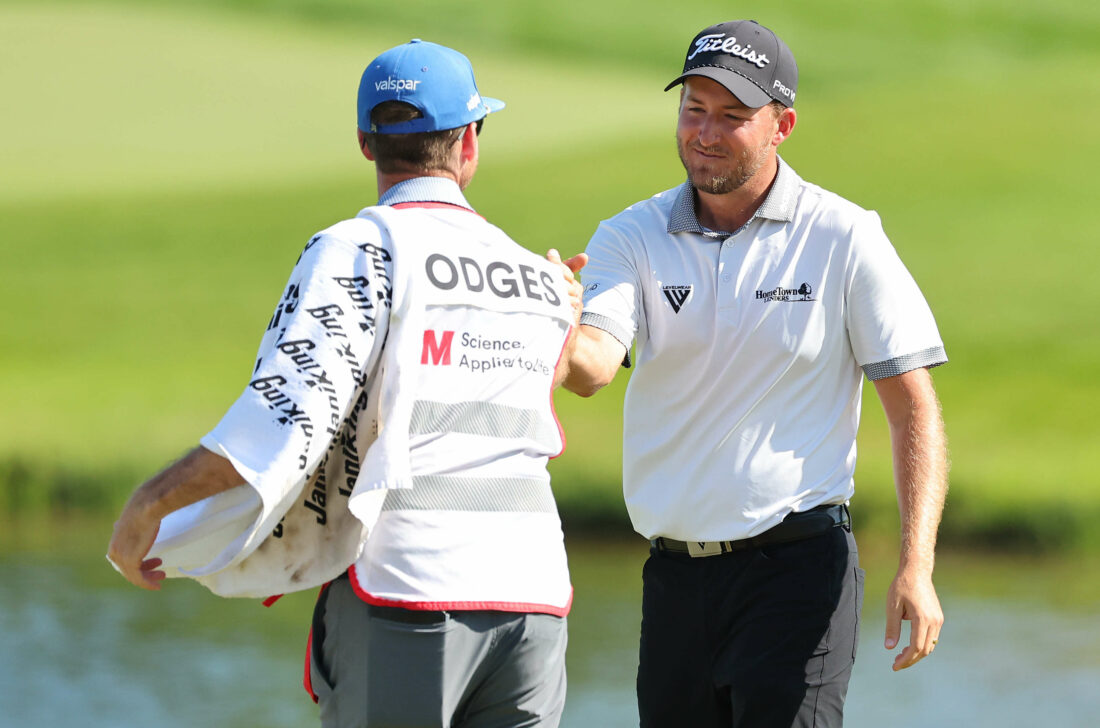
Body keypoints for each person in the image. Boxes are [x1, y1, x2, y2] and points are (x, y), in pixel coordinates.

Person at [108, 39, 583, 728]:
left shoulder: (359, 247)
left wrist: (152, 504)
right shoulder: (541, 280)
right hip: (535, 597)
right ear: (471, 142)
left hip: (412, 591)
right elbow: (575, 369)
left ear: (367, 143)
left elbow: (286, 419)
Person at [555, 19, 948, 728]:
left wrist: (916, 565)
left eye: (732, 117)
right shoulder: (629, 236)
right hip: (674, 580)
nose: (705, 133)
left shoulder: (844, 236)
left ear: (782, 125)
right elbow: (591, 369)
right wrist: (552, 323)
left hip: (797, 573)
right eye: (693, 110)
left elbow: (912, 407)